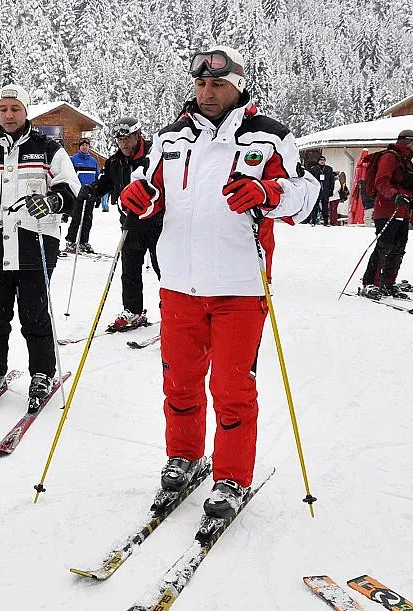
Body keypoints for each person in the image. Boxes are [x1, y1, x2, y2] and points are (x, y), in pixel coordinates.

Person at [120, 46, 318, 519]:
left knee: (232, 388)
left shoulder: (269, 137)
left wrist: (269, 193)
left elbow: (306, 195)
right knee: (180, 383)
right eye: (202, 84)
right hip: (180, 285)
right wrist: (139, 199)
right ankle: (185, 456)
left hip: (241, 286)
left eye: (219, 84)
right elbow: (152, 198)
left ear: (237, 85)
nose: (208, 93)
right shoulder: (171, 139)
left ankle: (231, 476)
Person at [0, 84, 79, 410]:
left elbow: (70, 188)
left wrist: (53, 200)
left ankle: (41, 372)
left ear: (25, 111)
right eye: (3, 109)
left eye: (15, 109)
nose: (9, 115)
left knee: (34, 314)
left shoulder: (47, 148)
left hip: (36, 242)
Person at [79, 117, 160, 331]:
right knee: (130, 268)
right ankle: (133, 311)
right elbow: (106, 182)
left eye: (127, 138)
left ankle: (173, 308)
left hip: (159, 223)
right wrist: (92, 190)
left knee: (165, 267)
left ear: (137, 136)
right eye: (120, 140)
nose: (123, 143)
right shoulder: (115, 162)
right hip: (130, 224)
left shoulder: (154, 156)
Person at [359, 130, 413, 299]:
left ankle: (387, 282)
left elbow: (411, 189)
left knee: (398, 248)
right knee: (384, 246)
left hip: (403, 211)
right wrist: (395, 195)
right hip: (386, 209)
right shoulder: (390, 157)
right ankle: (370, 282)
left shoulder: (406, 162)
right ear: (410, 142)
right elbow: (381, 181)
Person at [65, 138, 100, 253]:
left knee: (88, 220)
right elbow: (69, 177)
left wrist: (97, 194)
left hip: (90, 195)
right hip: (78, 194)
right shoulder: (73, 160)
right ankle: (71, 241)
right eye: (82, 145)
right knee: (76, 219)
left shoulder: (93, 161)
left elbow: (97, 178)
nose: (85, 147)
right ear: (79, 147)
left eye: (87, 145)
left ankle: (84, 242)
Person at [308, 155, 335, 226]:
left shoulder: (329, 169)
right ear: (318, 161)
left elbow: (332, 180)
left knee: (325, 207)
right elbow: (310, 180)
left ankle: (326, 222)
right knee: (315, 206)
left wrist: (331, 190)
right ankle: (313, 221)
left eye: (323, 160)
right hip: (316, 190)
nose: (322, 161)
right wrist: (311, 189)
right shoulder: (314, 169)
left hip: (325, 191)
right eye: (321, 160)